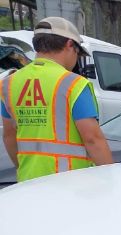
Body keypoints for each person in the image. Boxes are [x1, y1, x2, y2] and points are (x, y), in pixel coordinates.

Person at [0, 17, 112, 182]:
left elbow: (9, 135)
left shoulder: (8, 84)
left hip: (28, 181)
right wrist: (111, 179)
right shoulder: (74, 84)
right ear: (69, 45)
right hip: (71, 184)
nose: (76, 59)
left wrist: (24, 169)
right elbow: (92, 139)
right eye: (78, 52)